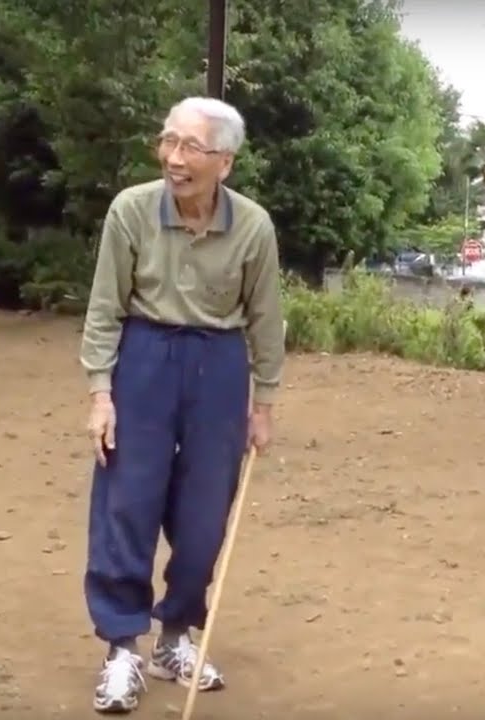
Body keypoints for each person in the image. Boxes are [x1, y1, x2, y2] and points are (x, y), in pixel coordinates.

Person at [78, 96, 285, 715]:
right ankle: (122, 647)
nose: (173, 158)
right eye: (168, 142)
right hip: (143, 356)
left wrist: (264, 403)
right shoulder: (131, 211)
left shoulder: (253, 226)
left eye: (190, 147)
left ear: (224, 160)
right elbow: (104, 308)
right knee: (127, 500)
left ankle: (176, 636)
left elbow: (266, 320)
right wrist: (100, 394)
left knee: (204, 515)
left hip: (219, 367)